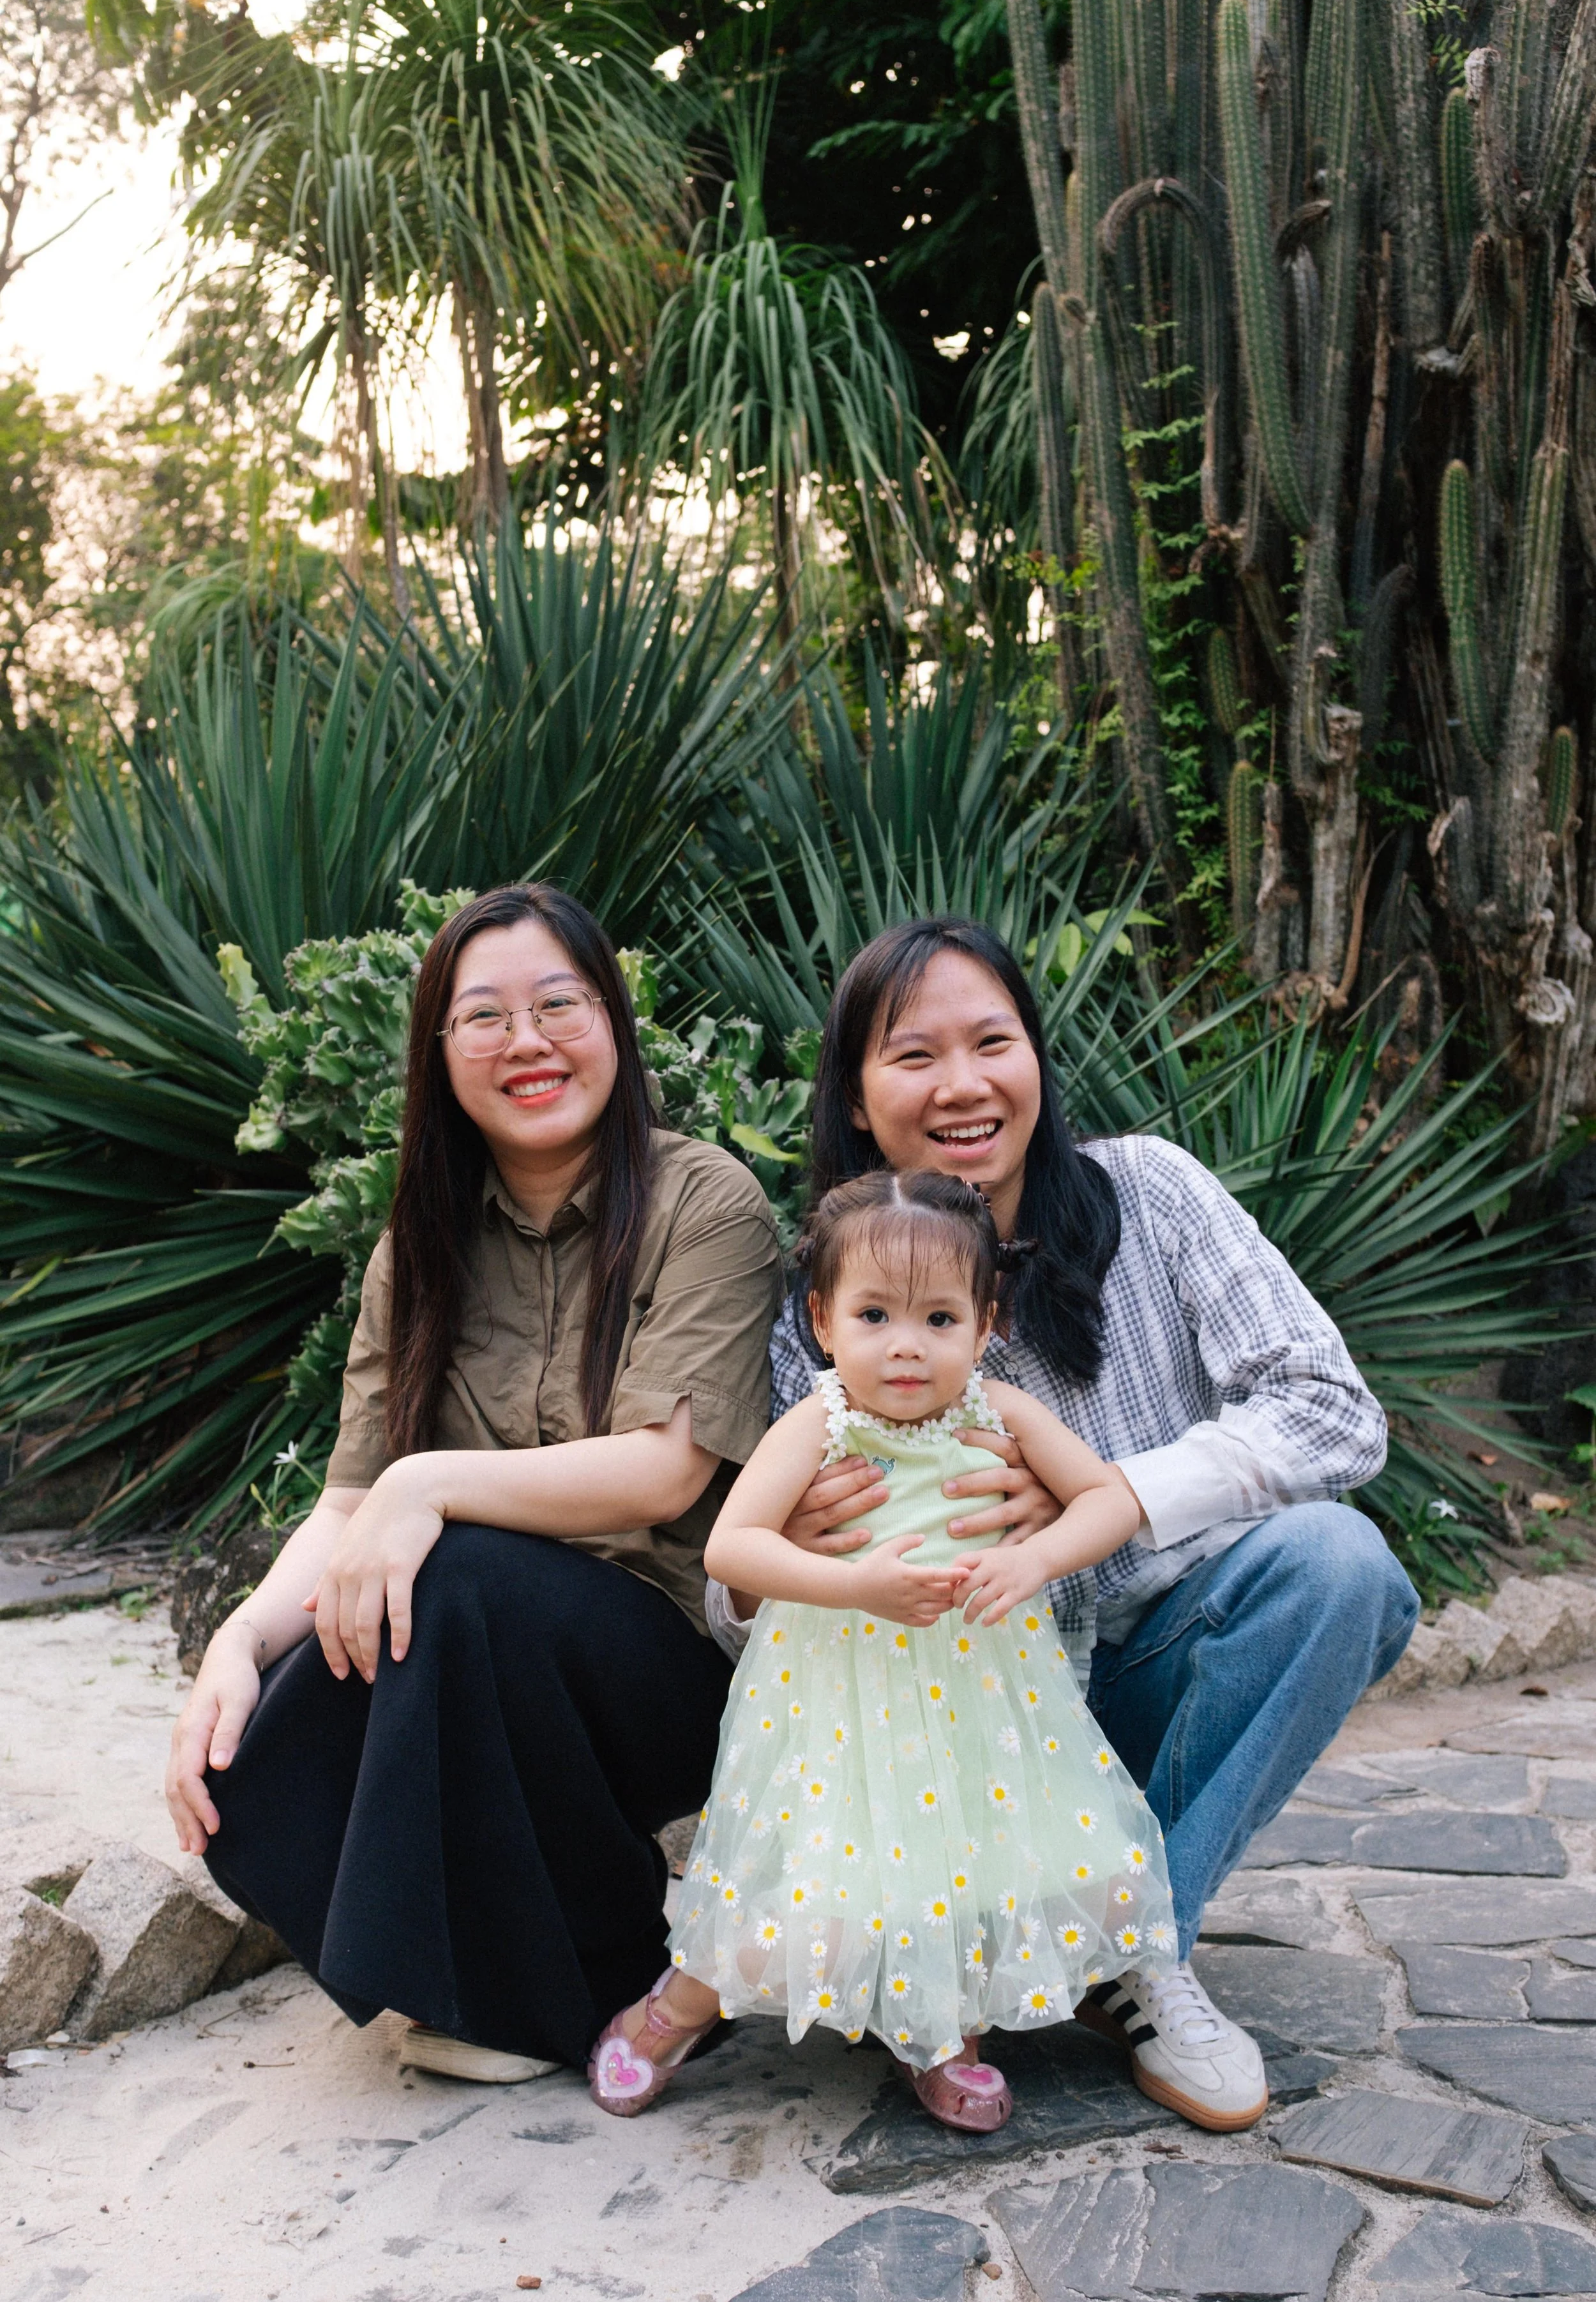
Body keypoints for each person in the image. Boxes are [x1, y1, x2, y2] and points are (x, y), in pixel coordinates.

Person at [716, 915, 1417, 2133]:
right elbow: (752, 1596)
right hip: (954, 1730)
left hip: (1152, 1660)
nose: (964, 1083)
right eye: (914, 1054)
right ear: (858, 1095)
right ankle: (963, 1966)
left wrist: (1107, 1496)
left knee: (1341, 1565)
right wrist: (796, 1564)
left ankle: (1138, 1951)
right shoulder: (832, 1303)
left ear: (1037, 1056)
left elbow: (1335, 1413)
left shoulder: (1151, 1192)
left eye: (994, 1040)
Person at [163, 884, 785, 2083]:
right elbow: (350, 1502)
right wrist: (237, 1647)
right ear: (441, 1054)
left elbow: (664, 1471)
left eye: (560, 1003)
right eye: (484, 1016)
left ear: (612, 1021)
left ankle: (567, 1983)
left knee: (456, 1573)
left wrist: (432, 1483)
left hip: (672, 1672)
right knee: (268, 1731)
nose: (528, 1041)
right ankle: (464, 1965)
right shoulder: (424, 1243)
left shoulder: (706, 1199)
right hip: (482, 1657)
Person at [587, 1171, 1181, 2132]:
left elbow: (1109, 1497)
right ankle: (672, 2011)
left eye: (940, 1317)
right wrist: (857, 1584)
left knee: (963, 1865)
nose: (907, 1343)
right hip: (838, 1698)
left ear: (986, 1324)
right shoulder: (819, 1422)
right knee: (812, 1880)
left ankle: (941, 2033)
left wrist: (1034, 1556)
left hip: (979, 1698)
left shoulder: (1000, 1412)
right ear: (824, 1320)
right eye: (874, 1313)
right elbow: (735, 1547)